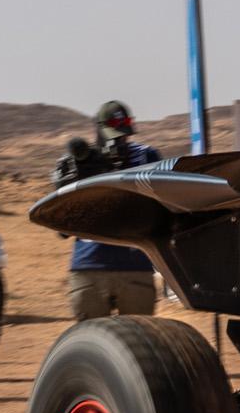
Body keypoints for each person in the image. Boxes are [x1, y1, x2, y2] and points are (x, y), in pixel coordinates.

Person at [55, 100, 163, 318]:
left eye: (124, 136)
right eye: (114, 135)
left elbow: (163, 208)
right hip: (90, 267)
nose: (120, 142)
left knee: (138, 336)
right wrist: (73, 183)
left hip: (135, 266)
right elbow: (63, 229)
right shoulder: (79, 162)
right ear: (98, 130)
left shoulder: (148, 157)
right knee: (92, 336)